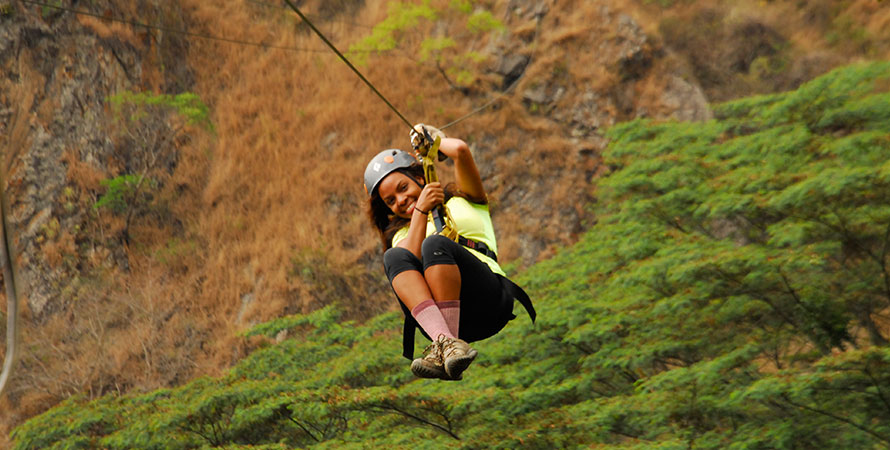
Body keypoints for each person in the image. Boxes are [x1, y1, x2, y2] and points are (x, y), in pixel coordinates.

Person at [363, 124, 535, 381]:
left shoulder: (465, 200)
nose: (400, 200)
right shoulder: (402, 236)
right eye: (390, 201)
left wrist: (434, 140)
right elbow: (408, 259)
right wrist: (421, 211)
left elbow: (461, 151)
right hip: (442, 321)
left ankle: (446, 343)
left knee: (435, 244)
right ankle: (446, 342)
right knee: (396, 255)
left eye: (402, 188)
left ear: (419, 178)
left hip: (487, 299)